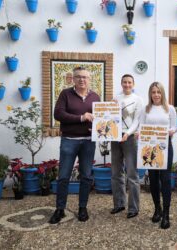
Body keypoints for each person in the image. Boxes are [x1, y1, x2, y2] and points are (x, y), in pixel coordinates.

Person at [49, 66, 100, 224]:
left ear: (89, 79)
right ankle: (60, 209)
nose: (82, 80)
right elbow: (58, 114)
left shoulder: (95, 97)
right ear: (73, 79)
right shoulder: (66, 94)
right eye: (78, 77)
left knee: (86, 176)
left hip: (88, 141)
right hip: (69, 141)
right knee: (63, 176)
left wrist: (99, 126)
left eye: (85, 77)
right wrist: (81, 118)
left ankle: (82, 208)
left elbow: (100, 117)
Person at [139, 82, 177, 229]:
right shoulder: (145, 109)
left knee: (165, 179)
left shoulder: (170, 109)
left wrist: (172, 131)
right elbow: (141, 126)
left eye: (158, 92)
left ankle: (166, 214)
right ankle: (157, 209)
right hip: (149, 147)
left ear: (162, 93)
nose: (156, 95)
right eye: (153, 92)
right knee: (153, 179)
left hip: (165, 146)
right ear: (150, 94)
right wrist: (138, 134)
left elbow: (174, 125)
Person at [110, 74, 143, 218]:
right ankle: (119, 204)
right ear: (121, 83)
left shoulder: (138, 100)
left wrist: (128, 133)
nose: (127, 84)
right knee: (116, 173)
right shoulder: (116, 98)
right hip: (115, 137)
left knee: (132, 174)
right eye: (124, 82)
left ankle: (133, 208)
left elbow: (137, 121)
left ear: (133, 84)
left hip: (129, 138)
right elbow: (110, 117)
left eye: (129, 82)